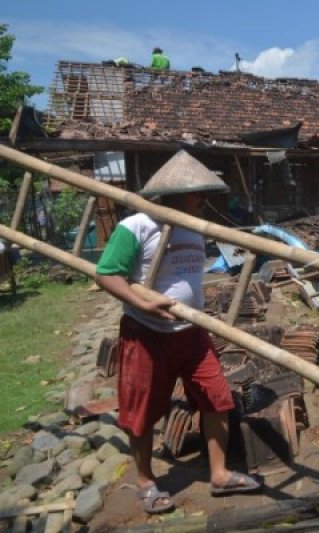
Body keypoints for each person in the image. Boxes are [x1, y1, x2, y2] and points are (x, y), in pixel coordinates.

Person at [95, 150, 261, 514]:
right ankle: (144, 481)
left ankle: (219, 475)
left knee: (218, 398)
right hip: (147, 332)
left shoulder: (196, 227)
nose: (204, 200)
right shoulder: (136, 225)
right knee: (142, 410)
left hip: (192, 332)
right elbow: (107, 273)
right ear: (175, 193)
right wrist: (141, 303)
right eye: (198, 192)